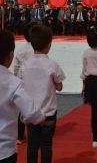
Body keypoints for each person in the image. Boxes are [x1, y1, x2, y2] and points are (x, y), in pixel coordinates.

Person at [18, 25, 65, 163]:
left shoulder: (25, 65)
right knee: (46, 144)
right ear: (49, 45)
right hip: (48, 111)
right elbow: (60, 86)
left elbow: (21, 86)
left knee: (32, 144)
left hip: (31, 112)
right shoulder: (52, 64)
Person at [0, 29, 45, 163]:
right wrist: (41, 118)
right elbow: (31, 112)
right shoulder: (13, 82)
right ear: (10, 55)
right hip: (4, 148)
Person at [13, 22, 37, 145]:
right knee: (36, 105)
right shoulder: (38, 50)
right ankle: (35, 132)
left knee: (23, 108)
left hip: (23, 82)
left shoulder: (21, 51)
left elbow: (16, 69)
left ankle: (21, 134)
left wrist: (17, 81)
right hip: (37, 82)